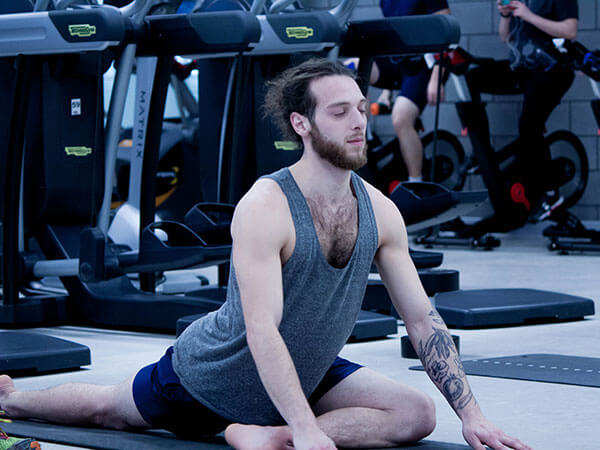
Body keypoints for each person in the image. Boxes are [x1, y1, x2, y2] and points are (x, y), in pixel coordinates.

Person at [0, 58, 530, 450]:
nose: (359, 122)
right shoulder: (267, 205)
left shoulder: (380, 210)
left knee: (415, 414)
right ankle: (11, 400)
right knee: (109, 409)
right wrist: (305, 429)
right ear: (302, 124)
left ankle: (263, 435)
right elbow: (261, 330)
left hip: (306, 370)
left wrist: (473, 416)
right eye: (339, 112)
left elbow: (422, 320)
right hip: (216, 376)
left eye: (360, 109)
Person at [466, 0, 578, 221]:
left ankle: (551, 194)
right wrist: (505, 15)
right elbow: (506, 37)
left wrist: (528, 15)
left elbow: (570, 31)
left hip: (552, 69)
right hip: (523, 68)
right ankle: (482, 152)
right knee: (474, 76)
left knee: (529, 125)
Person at [372, 0, 451, 183]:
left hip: (426, 66)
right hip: (400, 64)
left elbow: (446, 31)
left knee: (401, 118)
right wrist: (386, 91)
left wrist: (437, 76)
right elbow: (394, 42)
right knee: (351, 67)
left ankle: (416, 183)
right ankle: (366, 139)